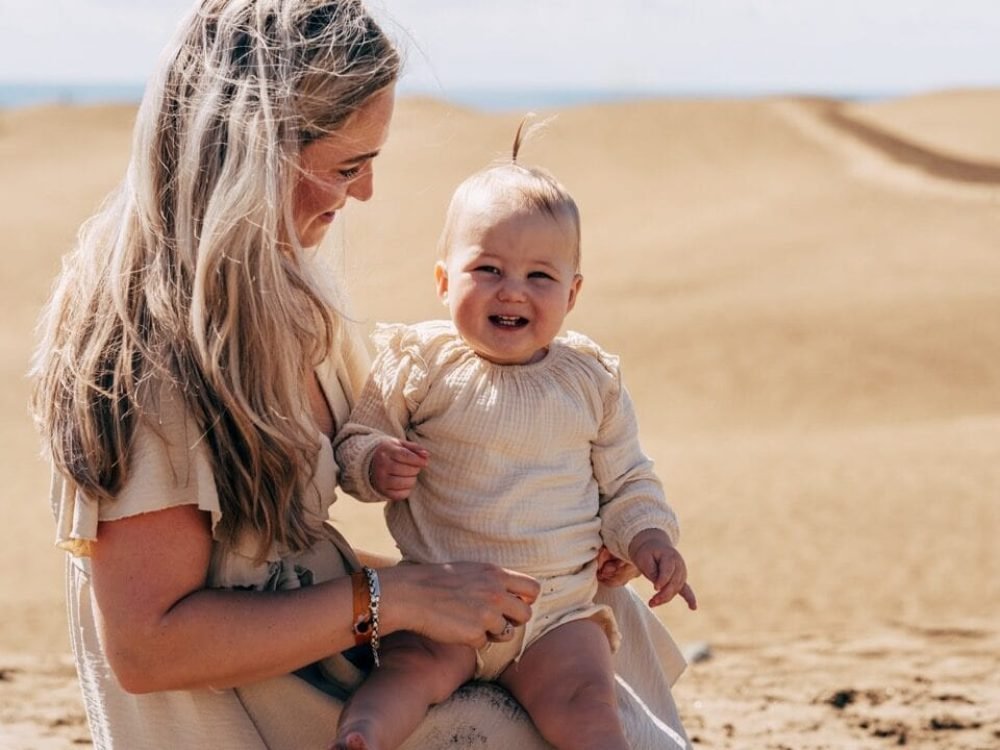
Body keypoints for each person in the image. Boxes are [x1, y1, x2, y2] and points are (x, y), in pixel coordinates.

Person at [30, 1, 691, 748]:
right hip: (252, 702)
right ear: (255, 153)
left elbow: (293, 561)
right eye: (348, 167)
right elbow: (149, 649)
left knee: (595, 606)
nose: (366, 194)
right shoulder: (148, 357)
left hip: (327, 647)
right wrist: (395, 597)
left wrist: (533, 557)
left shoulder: (289, 301)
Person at [332, 121, 697, 750]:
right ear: (444, 280)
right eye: (489, 268)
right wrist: (374, 463)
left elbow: (628, 479)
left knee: (588, 703)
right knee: (406, 675)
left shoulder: (591, 380)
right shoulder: (421, 363)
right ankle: (359, 739)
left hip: (556, 613)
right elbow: (358, 439)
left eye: (540, 277)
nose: (513, 290)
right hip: (442, 602)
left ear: (573, 294)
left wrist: (649, 536)